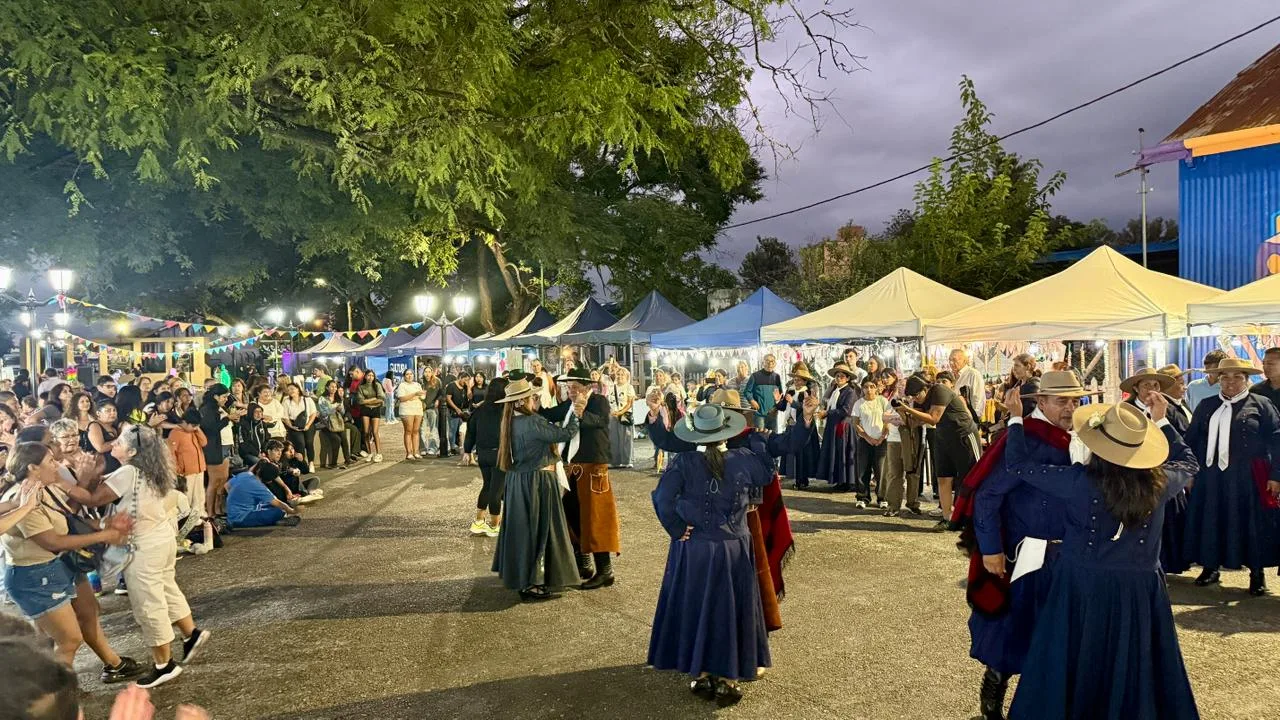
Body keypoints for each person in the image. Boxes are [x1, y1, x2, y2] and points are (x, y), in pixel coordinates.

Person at [1001, 388, 1200, 720]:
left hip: (1081, 585)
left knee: (1078, 657)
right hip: (1139, 589)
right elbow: (1189, 461)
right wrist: (1163, 420)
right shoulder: (1161, 482)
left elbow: (1019, 465)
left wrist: (1016, 418)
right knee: (1135, 659)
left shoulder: (1078, 481)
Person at [951, 371, 1092, 719]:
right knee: (1012, 633)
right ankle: (991, 709)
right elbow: (987, 497)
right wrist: (991, 550)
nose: (1070, 407)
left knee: (1057, 636)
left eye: (1075, 400)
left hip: (1068, 556)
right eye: (1062, 401)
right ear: (1041, 402)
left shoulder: (1078, 437)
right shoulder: (1025, 438)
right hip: (1027, 556)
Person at [647, 404, 785, 707]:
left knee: (697, 605)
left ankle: (701, 673)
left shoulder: (684, 461)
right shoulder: (743, 458)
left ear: (696, 434)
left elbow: (662, 498)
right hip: (733, 547)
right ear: (726, 432)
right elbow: (766, 474)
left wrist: (676, 528)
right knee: (729, 609)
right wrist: (760, 442)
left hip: (694, 547)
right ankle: (727, 678)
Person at [57, 426, 212, 688]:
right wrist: (93, 475)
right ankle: (191, 634)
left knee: (148, 604)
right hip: (161, 538)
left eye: (118, 442)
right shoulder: (149, 468)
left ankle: (164, 664)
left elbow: (93, 500)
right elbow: (106, 488)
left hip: (143, 546)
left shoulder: (128, 472)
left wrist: (62, 480)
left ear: (131, 451)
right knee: (166, 588)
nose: (113, 444)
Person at [0, 441, 144, 680]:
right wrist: (104, 535)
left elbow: (67, 516)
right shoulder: (22, 496)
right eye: (50, 461)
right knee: (69, 639)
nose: (57, 465)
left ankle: (112, 664)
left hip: (57, 566)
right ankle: (54, 693)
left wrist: (102, 524)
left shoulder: (43, 488)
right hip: (37, 575)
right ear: (33, 467)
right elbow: (52, 541)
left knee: (85, 615)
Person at [1182, 357, 1280, 596]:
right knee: (1211, 519)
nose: (1231, 382)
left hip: (1248, 477)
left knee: (1250, 523)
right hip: (1210, 476)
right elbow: (1191, 441)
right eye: (1225, 377)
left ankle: (1256, 573)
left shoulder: (1261, 404)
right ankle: (1210, 567)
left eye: (1237, 377)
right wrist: (1189, 473)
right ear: (1218, 380)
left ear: (1247, 379)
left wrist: (1276, 475)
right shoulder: (1206, 405)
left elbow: (1277, 440)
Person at [492, 377, 582, 601]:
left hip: (518, 481)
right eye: (532, 396)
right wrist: (576, 416)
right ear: (521, 401)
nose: (535, 399)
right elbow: (563, 434)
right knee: (540, 530)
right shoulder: (532, 422)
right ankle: (533, 582)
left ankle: (524, 578)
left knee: (522, 530)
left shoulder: (509, 421)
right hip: (537, 481)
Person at [538, 367, 620, 587]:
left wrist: (582, 413)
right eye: (568, 387)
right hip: (573, 468)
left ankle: (605, 570)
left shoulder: (599, 401)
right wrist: (534, 404)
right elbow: (549, 414)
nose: (571, 391)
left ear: (587, 386)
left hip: (593, 467)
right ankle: (584, 562)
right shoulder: (569, 405)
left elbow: (601, 421)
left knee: (596, 517)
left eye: (574, 387)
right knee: (572, 514)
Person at [1122, 367, 1192, 576]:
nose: (1151, 389)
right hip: (1134, 475)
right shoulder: (1124, 410)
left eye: (1155, 385)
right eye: (1146, 385)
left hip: (1163, 473)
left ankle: (1163, 566)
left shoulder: (1168, 410)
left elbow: (1182, 438)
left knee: (1166, 521)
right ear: (1136, 388)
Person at [901, 370, 981, 529]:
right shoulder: (920, 400)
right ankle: (947, 517)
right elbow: (913, 423)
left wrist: (908, 410)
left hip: (963, 435)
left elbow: (933, 418)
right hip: (943, 437)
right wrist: (901, 411)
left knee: (970, 477)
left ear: (925, 388)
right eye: (912, 397)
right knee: (943, 478)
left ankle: (971, 516)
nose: (916, 399)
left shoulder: (939, 389)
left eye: (917, 395)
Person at [465, 377, 507, 537]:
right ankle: (495, 524)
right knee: (496, 490)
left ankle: (479, 521)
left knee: (487, 486)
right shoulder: (505, 409)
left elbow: (471, 431)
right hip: (499, 454)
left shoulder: (480, 409)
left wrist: (467, 451)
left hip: (482, 454)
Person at [775, 362, 821, 489]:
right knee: (792, 452)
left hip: (803, 426)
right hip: (791, 425)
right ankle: (794, 477)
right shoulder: (790, 390)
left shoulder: (808, 392)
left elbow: (806, 408)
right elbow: (783, 407)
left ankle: (802, 480)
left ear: (805, 381)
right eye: (795, 379)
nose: (797, 382)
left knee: (803, 453)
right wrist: (778, 400)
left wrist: (793, 402)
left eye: (799, 380)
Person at [225, 459, 301, 529]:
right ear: (269, 480)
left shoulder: (245, 474)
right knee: (279, 511)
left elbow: (226, 486)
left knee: (270, 505)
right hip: (242, 518)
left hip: (232, 514)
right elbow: (277, 503)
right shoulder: (258, 486)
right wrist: (292, 511)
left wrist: (236, 497)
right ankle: (275, 521)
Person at [199, 384, 238, 520]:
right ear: (215, 396)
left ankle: (218, 508)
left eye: (227, 397)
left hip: (225, 445)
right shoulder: (207, 409)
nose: (226, 399)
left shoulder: (219, 407)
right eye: (224, 397)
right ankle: (210, 512)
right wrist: (228, 418)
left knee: (222, 479)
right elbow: (211, 429)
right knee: (214, 481)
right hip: (214, 447)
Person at [817, 362, 858, 491]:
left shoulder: (850, 392)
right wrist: (825, 414)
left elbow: (846, 410)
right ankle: (839, 480)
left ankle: (847, 482)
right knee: (836, 452)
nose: (839, 378)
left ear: (847, 378)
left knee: (843, 452)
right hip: (833, 424)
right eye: (837, 376)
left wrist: (827, 413)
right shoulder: (835, 391)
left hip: (843, 426)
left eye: (842, 376)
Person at [166, 410, 208, 525]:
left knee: (199, 496)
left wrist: (197, 429)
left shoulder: (194, 431)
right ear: (185, 422)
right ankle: (185, 521)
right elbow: (171, 454)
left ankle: (199, 517)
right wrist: (177, 470)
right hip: (186, 472)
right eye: (193, 425)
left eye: (197, 425)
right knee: (187, 497)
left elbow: (204, 443)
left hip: (199, 468)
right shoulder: (175, 433)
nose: (195, 428)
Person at [280, 382, 318, 471]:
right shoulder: (286, 401)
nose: (290, 391)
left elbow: (313, 413)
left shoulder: (307, 400)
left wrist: (308, 425)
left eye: (292, 389)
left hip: (308, 424)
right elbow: (285, 417)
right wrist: (291, 426)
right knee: (300, 443)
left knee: (309, 443)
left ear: (298, 389)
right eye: (288, 390)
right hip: (294, 426)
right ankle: (302, 464)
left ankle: (311, 463)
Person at [316, 381, 353, 469]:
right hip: (326, 424)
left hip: (337, 423)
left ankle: (347, 460)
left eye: (335, 387)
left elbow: (343, 412)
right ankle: (333, 463)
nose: (334, 389)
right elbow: (323, 413)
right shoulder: (322, 399)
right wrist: (334, 409)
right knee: (337, 439)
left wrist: (340, 409)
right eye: (332, 387)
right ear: (327, 387)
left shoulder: (338, 398)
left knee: (344, 438)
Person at [743, 354, 783, 430]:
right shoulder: (755, 376)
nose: (770, 363)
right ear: (763, 362)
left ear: (775, 364)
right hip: (759, 414)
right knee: (760, 435)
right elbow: (747, 391)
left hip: (773, 414)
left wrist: (777, 406)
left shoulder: (777, 377)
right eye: (767, 361)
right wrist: (752, 401)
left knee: (773, 436)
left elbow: (780, 395)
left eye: (772, 361)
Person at [606, 366, 636, 469]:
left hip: (624, 415)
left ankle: (627, 460)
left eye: (622, 375)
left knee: (626, 439)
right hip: (613, 415)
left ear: (627, 376)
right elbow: (608, 401)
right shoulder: (611, 387)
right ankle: (614, 461)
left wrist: (620, 412)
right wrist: (611, 411)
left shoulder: (629, 387)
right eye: (618, 374)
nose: (620, 376)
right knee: (613, 438)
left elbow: (630, 403)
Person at [355, 369, 386, 461]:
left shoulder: (377, 385)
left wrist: (367, 401)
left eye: (372, 376)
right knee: (366, 432)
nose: (370, 377)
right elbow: (360, 401)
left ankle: (379, 453)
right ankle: (370, 453)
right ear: (365, 376)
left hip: (375, 409)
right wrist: (373, 399)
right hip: (365, 410)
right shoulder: (361, 387)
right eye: (369, 375)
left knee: (375, 432)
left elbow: (381, 398)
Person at [395, 369, 426, 459]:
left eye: (411, 374)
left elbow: (422, 397)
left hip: (417, 409)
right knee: (408, 430)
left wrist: (420, 395)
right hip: (407, 410)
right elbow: (402, 398)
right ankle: (409, 452)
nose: (409, 376)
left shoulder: (417, 385)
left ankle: (416, 451)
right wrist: (415, 394)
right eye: (407, 374)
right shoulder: (402, 385)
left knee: (416, 430)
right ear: (404, 376)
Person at [950, 348, 988, 420]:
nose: (951, 363)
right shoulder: (952, 376)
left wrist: (974, 418)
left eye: (954, 360)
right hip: (955, 418)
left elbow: (978, 398)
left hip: (968, 419)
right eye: (950, 360)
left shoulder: (973, 374)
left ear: (964, 360)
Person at [443, 371, 471, 458]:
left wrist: (468, 387)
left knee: (463, 430)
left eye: (468, 380)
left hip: (464, 411)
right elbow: (448, 399)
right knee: (453, 429)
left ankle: (461, 446)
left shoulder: (466, 387)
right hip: (454, 411)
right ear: (460, 378)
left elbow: (470, 397)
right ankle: (452, 447)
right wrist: (456, 408)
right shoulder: (451, 386)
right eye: (465, 380)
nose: (465, 382)